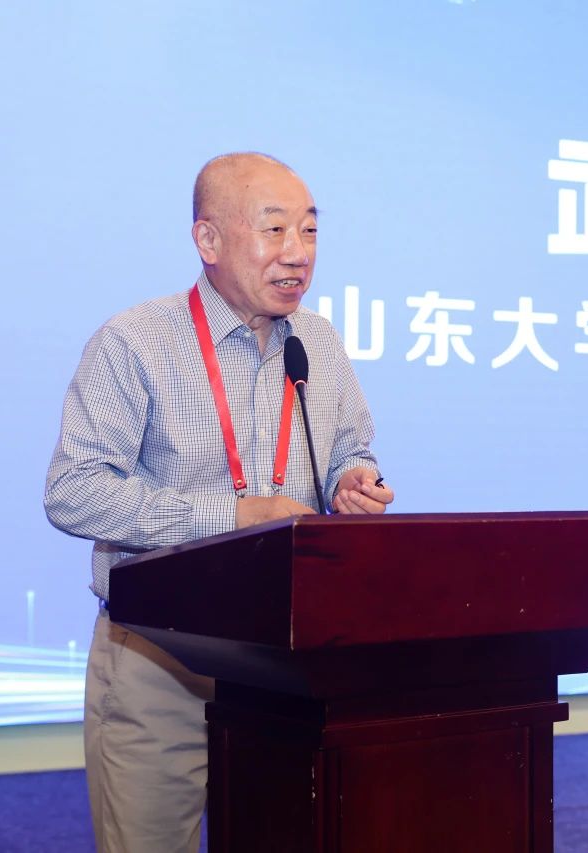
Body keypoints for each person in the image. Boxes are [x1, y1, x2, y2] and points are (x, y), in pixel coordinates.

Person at [44, 152, 394, 852]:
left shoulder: (318, 343)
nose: (298, 253)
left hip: (283, 661)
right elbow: (74, 492)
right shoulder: (135, 342)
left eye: (310, 230)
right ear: (208, 240)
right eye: (274, 229)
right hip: (158, 657)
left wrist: (352, 482)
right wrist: (231, 516)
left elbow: (350, 449)